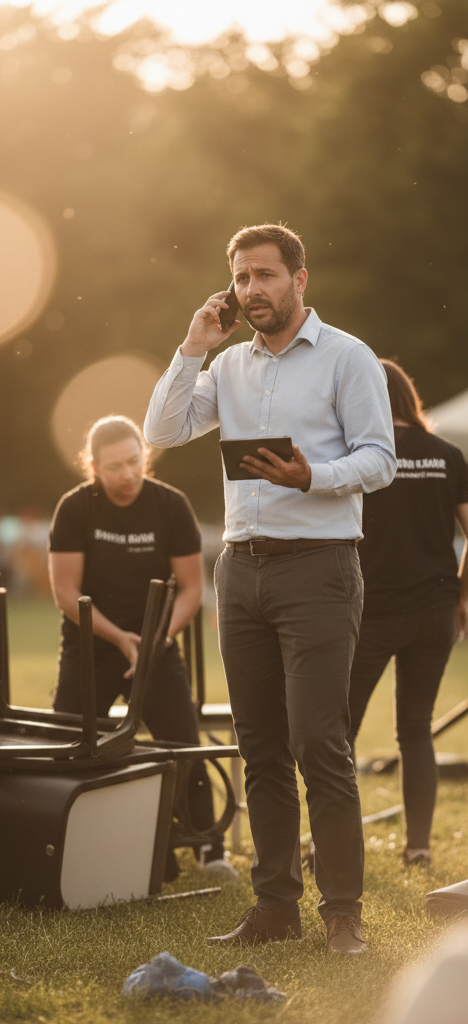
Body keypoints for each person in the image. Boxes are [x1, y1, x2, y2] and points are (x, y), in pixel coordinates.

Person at [144, 223, 396, 954]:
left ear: (299, 279)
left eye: (266, 275)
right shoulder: (227, 368)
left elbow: (380, 459)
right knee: (258, 747)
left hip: (319, 568)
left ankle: (342, 912)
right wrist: (193, 346)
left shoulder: (347, 358)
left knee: (319, 740)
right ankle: (274, 908)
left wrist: (312, 476)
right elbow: (161, 427)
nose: (253, 289)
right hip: (241, 570)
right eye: (241, 278)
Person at [48, 414, 235, 879]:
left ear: (145, 457)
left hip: (157, 644)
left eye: (134, 462)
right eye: (114, 467)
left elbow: (192, 588)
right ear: (92, 466)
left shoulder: (170, 505)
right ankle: (64, 841)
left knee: (184, 743)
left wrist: (154, 641)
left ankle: (208, 848)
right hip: (91, 645)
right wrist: (119, 638)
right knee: (66, 745)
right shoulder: (75, 508)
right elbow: (65, 593)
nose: (127, 474)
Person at [346, 359, 468, 868]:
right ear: (408, 398)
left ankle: (336, 845)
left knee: (338, 732)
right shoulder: (447, 454)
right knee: (415, 728)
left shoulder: (360, 456)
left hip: (371, 612)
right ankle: (417, 848)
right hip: (436, 610)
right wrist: (462, 597)